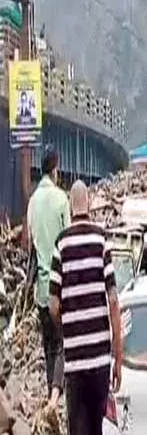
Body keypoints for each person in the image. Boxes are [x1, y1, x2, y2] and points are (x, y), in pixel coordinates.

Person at [50, 180, 123, 435]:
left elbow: (54, 302)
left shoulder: (62, 246)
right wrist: (117, 355)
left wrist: (69, 327)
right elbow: (114, 300)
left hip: (77, 365)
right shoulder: (101, 242)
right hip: (100, 363)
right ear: (89, 204)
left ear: (70, 207)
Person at [26, 148, 70, 409]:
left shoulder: (32, 202)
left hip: (41, 291)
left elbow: (30, 242)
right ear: (55, 169)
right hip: (60, 287)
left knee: (48, 345)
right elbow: (67, 242)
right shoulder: (60, 198)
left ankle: (49, 393)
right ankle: (55, 396)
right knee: (63, 342)